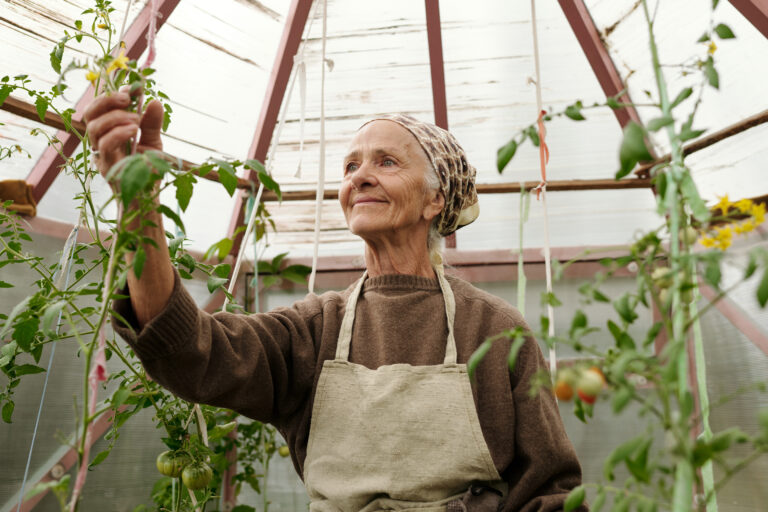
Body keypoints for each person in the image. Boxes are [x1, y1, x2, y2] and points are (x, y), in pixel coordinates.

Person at [85, 91, 586, 511]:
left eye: (386, 162)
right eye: (351, 166)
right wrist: (138, 205)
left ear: (436, 200)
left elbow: (550, 493)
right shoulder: (316, 328)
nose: (359, 177)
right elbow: (192, 351)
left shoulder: (494, 329)